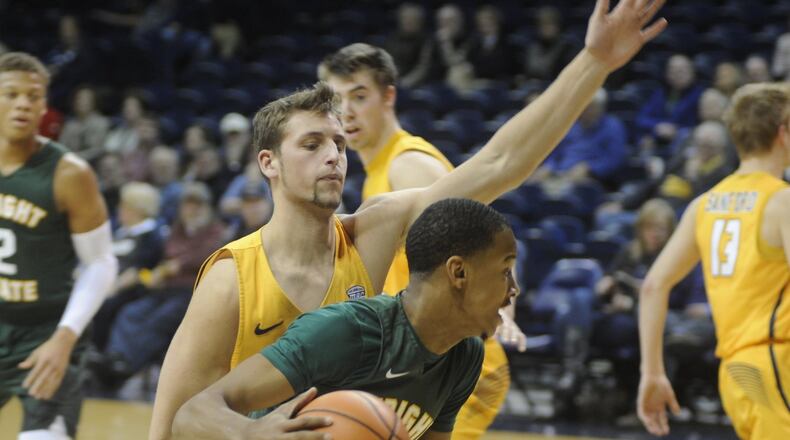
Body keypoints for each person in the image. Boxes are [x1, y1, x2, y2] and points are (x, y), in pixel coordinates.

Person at [150, 1, 668, 438]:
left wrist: (594, 62)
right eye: (311, 145)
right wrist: (252, 433)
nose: (333, 156)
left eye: (338, 144)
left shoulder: (370, 233)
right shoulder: (232, 277)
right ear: (268, 163)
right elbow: (172, 419)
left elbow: (500, 163)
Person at [173, 198, 518, 439]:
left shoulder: (464, 356)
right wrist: (250, 433)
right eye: (505, 271)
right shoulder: (348, 332)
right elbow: (191, 414)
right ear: (458, 272)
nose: (514, 290)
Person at [319, 42, 523, 440]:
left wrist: (504, 310)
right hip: (422, 362)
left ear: (388, 96)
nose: (347, 111)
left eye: (359, 96)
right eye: (337, 100)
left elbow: (484, 242)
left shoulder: (408, 164)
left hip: (458, 365)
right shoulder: (378, 172)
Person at [637, 82, 790, 439]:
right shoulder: (782, 201)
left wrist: (652, 372)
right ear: (783, 133)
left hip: (735, 371)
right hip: (777, 363)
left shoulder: (703, 205)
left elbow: (653, 286)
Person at [0, 52, 118, 438]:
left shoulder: (69, 174)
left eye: (33, 96)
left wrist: (65, 337)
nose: (23, 104)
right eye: (11, 94)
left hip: (47, 331)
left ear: (44, 106)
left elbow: (100, 263)